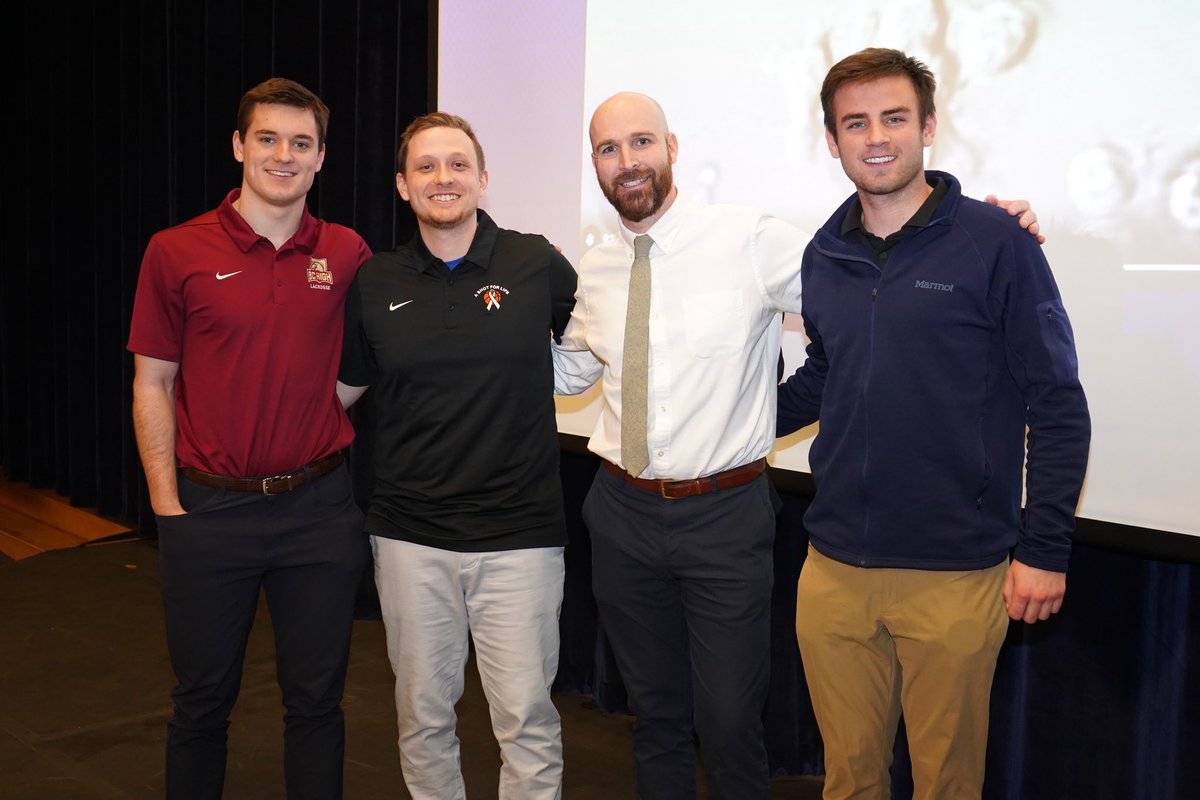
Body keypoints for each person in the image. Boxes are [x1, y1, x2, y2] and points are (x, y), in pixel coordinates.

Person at [552, 92, 1046, 800]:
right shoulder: (596, 265)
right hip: (619, 511)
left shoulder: (753, 238)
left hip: (723, 516)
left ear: (672, 147)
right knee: (654, 715)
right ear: (595, 164)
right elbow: (568, 369)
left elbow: (874, 288)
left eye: (641, 143)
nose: (627, 162)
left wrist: (985, 236)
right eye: (608, 149)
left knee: (728, 721)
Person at [776, 48, 1091, 799]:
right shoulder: (822, 252)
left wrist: (1045, 547)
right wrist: (717, 416)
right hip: (834, 571)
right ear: (832, 140)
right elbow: (829, 372)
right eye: (855, 123)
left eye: (893, 118)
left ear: (928, 128)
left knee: (946, 784)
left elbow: (1057, 401)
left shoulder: (996, 240)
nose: (875, 136)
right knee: (848, 781)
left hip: (956, 573)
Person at [128, 78, 370, 800]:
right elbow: (152, 384)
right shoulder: (176, 251)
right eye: (268, 138)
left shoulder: (347, 252)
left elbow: (370, 355)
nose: (283, 156)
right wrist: (167, 503)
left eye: (301, 143)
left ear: (322, 157)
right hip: (210, 513)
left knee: (318, 706)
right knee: (201, 705)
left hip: (319, 513)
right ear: (239, 146)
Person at [337, 112, 577, 800]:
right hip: (410, 539)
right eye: (426, 167)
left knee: (526, 723)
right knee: (422, 720)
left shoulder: (536, 263)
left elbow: (600, 341)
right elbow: (345, 390)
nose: (443, 178)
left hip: (519, 540)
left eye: (457, 164)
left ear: (482, 178)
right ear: (402, 186)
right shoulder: (376, 281)